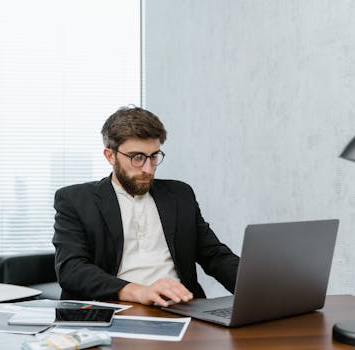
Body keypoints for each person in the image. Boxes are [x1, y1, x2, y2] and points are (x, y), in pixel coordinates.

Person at [53, 106, 240, 307]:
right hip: (113, 310)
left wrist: (261, 288)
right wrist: (139, 292)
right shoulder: (76, 199)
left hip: (181, 309)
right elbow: (71, 269)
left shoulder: (179, 195)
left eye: (154, 156)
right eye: (137, 157)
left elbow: (214, 255)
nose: (147, 169)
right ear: (110, 156)